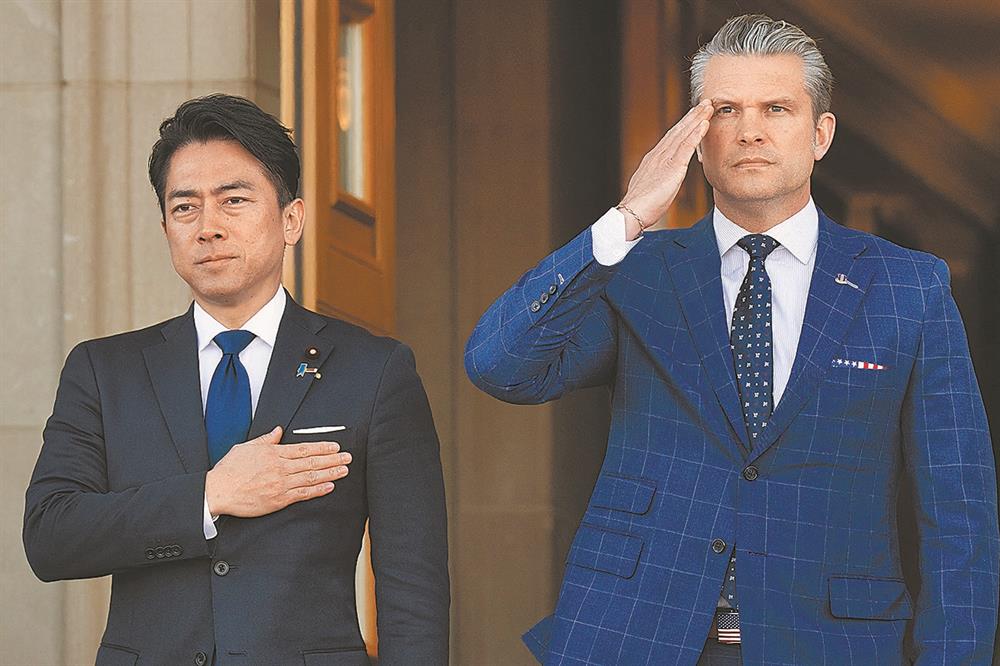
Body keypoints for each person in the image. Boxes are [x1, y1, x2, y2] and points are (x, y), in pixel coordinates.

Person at [465, 14, 997, 665]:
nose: (750, 131)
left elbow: (959, 511)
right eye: (725, 110)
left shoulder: (908, 287)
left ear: (821, 134)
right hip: (636, 638)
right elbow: (500, 366)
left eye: (776, 108)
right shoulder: (638, 272)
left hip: (830, 644)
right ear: (696, 138)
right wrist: (627, 217)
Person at [24, 94, 449, 665]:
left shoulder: (374, 371)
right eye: (185, 208)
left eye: (234, 201)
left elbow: (412, 587)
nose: (208, 228)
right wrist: (210, 495)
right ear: (166, 228)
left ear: (291, 219)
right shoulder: (104, 371)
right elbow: (50, 536)